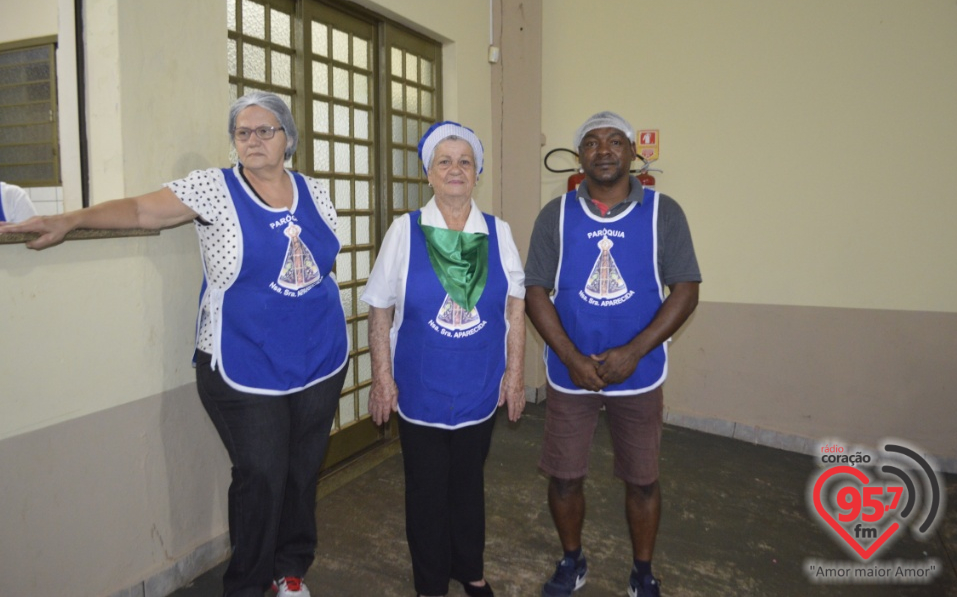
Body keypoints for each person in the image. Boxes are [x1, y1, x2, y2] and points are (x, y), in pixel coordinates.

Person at [0, 92, 349, 597]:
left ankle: (290, 568)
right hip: (240, 359)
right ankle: (249, 585)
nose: (252, 139)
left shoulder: (315, 192)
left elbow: (324, 265)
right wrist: (71, 219)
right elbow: (143, 211)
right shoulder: (215, 188)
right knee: (261, 474)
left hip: (319, 356)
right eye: (242, 132)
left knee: (301, 469)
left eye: (265, 130)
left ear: (288, 139)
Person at [524, 111, 701, 597]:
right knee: (563, 475)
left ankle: (643, 572)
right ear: (579, 157)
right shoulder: (555, 215)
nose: (604, 150)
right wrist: (571, 356)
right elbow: (536, 290)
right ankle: (572, 560)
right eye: (592, 143)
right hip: (569, 373)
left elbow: (685, 289)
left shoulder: (664, 212)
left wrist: (633, 352)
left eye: (614, 141)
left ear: (631, 152)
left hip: (638, 373)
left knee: (642, 480)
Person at [361, 121, 526, 597]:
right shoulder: (405, 231)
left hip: (479, 383)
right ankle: (431, 584)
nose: (455, 170)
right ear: (428, 175)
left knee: (469, 485)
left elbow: (516, 305)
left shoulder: (498, 231)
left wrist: (515, 375)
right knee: (427, 493)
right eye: (444, 162)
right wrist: (381, 380)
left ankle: (470, 570)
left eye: (465, 162)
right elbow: (379, 307)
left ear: (476, 174)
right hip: (420, 385)